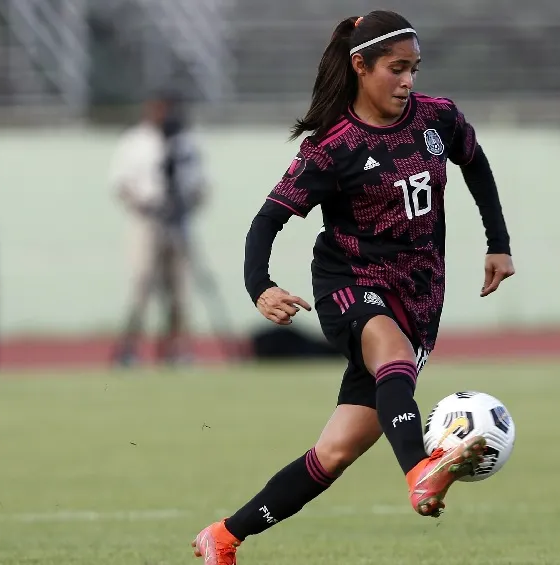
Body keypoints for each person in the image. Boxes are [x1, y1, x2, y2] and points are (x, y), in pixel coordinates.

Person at [192, 10, 514, 563]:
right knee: (390, 352)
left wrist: (498, 242)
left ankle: (223, 536)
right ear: (360, 66)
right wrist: (259, 286)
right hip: (349, 284)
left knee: (334, 453)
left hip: (419, 296)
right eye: (396, 69)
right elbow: (266, 220)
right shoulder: (333, 147)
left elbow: (476, 165)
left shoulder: (437, 119)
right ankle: (419, 471)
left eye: (414, 68)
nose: (408, 80)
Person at [109, 90, 208, 366]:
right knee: (142, 285)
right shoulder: (134, 141)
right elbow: (121, 185)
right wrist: (147, 206)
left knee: (179, 289)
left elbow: (200, 185)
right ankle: (130, 350)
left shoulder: (185, 142)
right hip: (147, 222)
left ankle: (176, 349)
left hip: (179, 222)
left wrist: (183, 206)